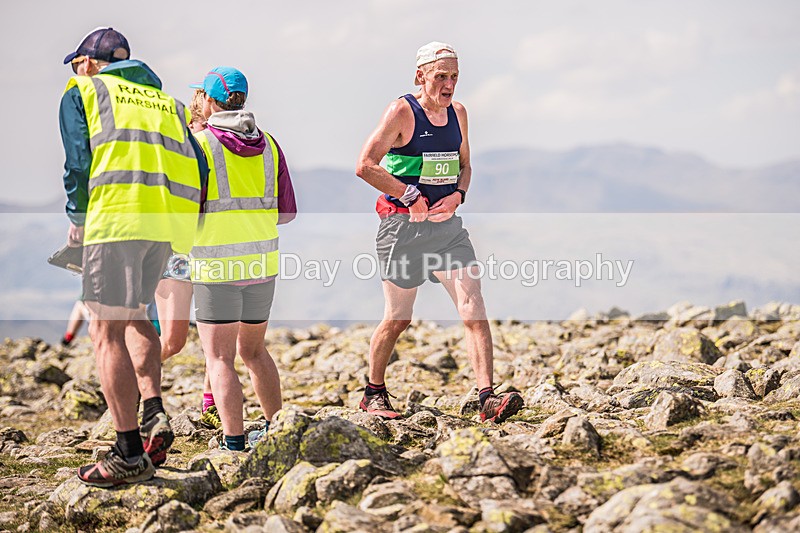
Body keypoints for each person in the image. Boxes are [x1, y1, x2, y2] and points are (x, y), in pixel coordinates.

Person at [59, 27, 206, 486]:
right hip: (164, 226)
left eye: (77, 63)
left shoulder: (84, 91)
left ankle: (126, 452)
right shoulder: (168, 104)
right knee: (136, 316)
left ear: (89, 62)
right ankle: (153, 413)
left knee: (105, 332)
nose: (76, 70)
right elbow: (198, 166)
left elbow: (79, 160)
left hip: (116, 222)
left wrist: (78, 216)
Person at [355, 42, 524, 423]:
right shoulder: (402, 112)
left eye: (455, 77)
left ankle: (487, 398)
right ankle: (373, 392)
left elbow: (466, 166)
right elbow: (365, 165)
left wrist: (458, 196)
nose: (449, 85)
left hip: (447, 229)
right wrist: (410, 195)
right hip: (402, 228)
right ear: (421, 76)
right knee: (399, 318)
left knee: (473, 308)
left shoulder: (459, 113)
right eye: (441, 77)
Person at [189, 67, 296, 451]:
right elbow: (287, 214)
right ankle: (277, 428)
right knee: (254, 351)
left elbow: (185, 210)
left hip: (215, 265)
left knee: (219, 358)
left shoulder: (198, 145)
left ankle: (233, 443)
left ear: (210, 100)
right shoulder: (269, 143)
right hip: (262, 266)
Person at [154, 89, 222, 429]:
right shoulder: (177, 153)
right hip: (175, 253)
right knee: (173, 341)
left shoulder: (222, 148)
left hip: (212, 251)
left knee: (219, 337)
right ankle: (136, 390)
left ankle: (210, 404)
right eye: (201, 129)